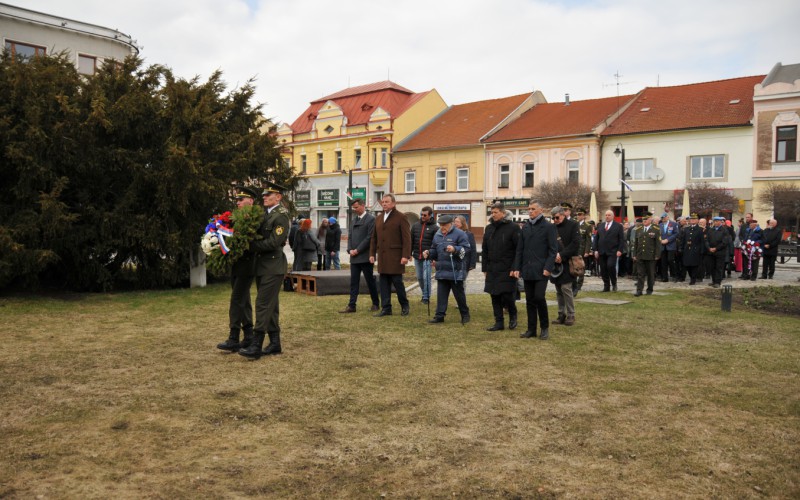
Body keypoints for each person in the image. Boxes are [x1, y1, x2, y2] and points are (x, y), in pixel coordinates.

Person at [239, 181, 290, 359]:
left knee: (262, 304)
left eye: (269, 195)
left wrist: (251, 246)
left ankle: (256, 344)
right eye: (264, 195)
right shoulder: (265, 215)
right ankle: (275, 343)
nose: (265, 198)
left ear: (278, 197)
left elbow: (274, 242)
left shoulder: (281, 215)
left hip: (273, 266)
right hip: (263, 266)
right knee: (271, 305)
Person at [217, 185, 259, 352]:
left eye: (241, 200)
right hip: (237, 264)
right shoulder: (237, 217)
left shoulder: (254, 217)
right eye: (237, 200)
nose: (239, 203)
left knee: (236, 300)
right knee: (244, 300)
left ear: (251, 200)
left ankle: (234, 336)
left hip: (247, 265)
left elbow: (249, 240)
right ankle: (248, 334)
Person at [512, 200, 558, 340]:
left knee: (539, 298)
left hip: (541, 270)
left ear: (540, 210)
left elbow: (553, 250)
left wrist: (548, 267)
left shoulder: (548, 227)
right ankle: (531, 329)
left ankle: (544, 328)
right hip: (527, 269)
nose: (530, 211)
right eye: (529, 209)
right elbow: (520, 249)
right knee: (530, 300)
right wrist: (516, 267)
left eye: (532, 209)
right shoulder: (525, 227)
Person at [424, 214, 471, 324]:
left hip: (456, 271)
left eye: (444, 225)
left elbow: (467, 249)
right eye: (440, 225)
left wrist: (455, 249)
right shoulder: (437, 235)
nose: (442, 227)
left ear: (451, 224)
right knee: (441, 295)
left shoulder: (460, 234)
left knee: (459, 296)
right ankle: (439, 316)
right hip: (442, 270)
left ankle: (465, 314)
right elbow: (434, 250)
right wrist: (429, 253)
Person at [370, 193, 412, 317]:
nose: (384, 204)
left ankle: (404, 305)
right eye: (383, 202)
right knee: (383, 284)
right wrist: (372, 253)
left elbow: (407, 239)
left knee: (398, 283)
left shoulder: (401, 217)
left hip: (396, 257)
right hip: (383, 257)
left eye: (387, 202)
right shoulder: (378, 218)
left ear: (393, 203)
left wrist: (406, 255)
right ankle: (386, 308)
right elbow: (374, 238)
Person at [482, 202, 521, 331]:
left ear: (503, 213)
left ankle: (513, 316)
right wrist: (484, 268)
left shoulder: (513, 227)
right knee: (494, 296)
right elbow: (485, 249)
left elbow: (518, 250)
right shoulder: (489, 228)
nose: (493, 215)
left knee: (507, 295)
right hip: (492, 268)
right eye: (491, 212)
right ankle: (498, 322)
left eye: (496, 212)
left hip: (507, 267)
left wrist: (515, 267)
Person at [340, 198, 380, 313]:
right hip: (354, 257)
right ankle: (352, 305)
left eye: (356, 207)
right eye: (353, 208)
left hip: (366, 256)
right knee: (354, 282)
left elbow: (370, 238)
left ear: (363, 206)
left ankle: (376, 303)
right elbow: (350, 236)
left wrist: (357, 250)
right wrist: (349, 249)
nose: (355, 210)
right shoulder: (353, 221)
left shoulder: (371, 219)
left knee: (370, 281)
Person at [550, 206, 580, 326]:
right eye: (553, 218)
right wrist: (553, 255)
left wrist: (561, 255)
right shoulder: (553, 227)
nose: (555, 220)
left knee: (566, 288)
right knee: (558, 289)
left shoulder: (573, 225)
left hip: (568, 261)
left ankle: (571, 314)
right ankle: (561, 314)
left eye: (557, 217)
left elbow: (575, 243)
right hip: (555, 263)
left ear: (563, 215)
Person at [410, 207, 438, 305]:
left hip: (428, 257)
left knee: (426, 277)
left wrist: (433, 257)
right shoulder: (415, 226)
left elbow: (436, 244)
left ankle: (426, 297)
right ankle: (424, 293)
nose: (422, 216)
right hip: (417, 256)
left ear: (430, 215)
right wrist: (409, 253)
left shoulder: (435, 228)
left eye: (425, 215)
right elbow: (411, 240)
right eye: (421, 214)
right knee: (419, 277)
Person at [593, 209, 625, 292]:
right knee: (603, 269)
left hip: (613, 251)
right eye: (606, 215)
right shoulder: (601, 225)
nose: (607, 216)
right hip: (601, 251)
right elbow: (596, 238)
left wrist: (620, 250)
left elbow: (621, 239)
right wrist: (595, 250)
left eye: (609, 215)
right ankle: (606, 286)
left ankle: (614, 283)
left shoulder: (618, 226)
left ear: (613, 216)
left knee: (610, 266)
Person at [633, 215, 661, 296]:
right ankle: (639, 290)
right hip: (640, 254)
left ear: (650, 220)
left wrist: (657, 254)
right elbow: (636, 243)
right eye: (643, 219)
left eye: (646, 219)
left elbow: (658, 243)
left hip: (650, 255)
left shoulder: (655, 229)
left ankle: (649, 289)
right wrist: (634, 254)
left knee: (650, 273)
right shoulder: (638, 229)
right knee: (640, 273)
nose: (644, 221)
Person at [706, 216, 732, 288]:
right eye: (715, 221)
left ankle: (717, 282)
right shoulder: (711, 230)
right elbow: (706, 240)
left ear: (721, 222)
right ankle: (713, 281)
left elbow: (725, 242)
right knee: (712, 267)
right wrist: (709, 248)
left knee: (718, 267)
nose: (716, 222)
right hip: (711, 252)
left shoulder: (724, 230)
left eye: (718, 221)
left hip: (720, 252)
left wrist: (716, 248)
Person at [679, 213, 704, 285]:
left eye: (694, 219)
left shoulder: (700, 229)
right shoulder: (686, 229)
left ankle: (693, 278)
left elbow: (702, 241)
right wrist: (681, 248)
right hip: (687, 250)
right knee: (687, 265)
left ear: (697, 220)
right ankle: (691, 276)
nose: (692, 220)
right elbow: (683, 240)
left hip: (696, 250)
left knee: (694, 265)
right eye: (691, 219)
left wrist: (701, 251)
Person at [575, 208, 592, 294]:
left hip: (582, 250)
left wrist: (587, 251)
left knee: (581, 268)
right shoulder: (574, 224)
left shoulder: (587, 226)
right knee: (573, 267)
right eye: (578, 214)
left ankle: (579, 284)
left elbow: (588, 240)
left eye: (580, 214)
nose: (578, 216)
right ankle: (574, 284)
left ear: (584, 216)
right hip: (574, 249)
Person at [659, 212, 679, 282]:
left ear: (667, 217)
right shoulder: (660, 225)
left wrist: (668, 240)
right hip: (662, 246)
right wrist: (661, 240)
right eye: (662, 218)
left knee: (671, 260)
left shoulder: (673, 224)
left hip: (671, 245)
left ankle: (674, 275)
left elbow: (676, 234)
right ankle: (665, 277)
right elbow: (658, 235)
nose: (663, 219)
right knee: (663, 262)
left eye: (664, 218)